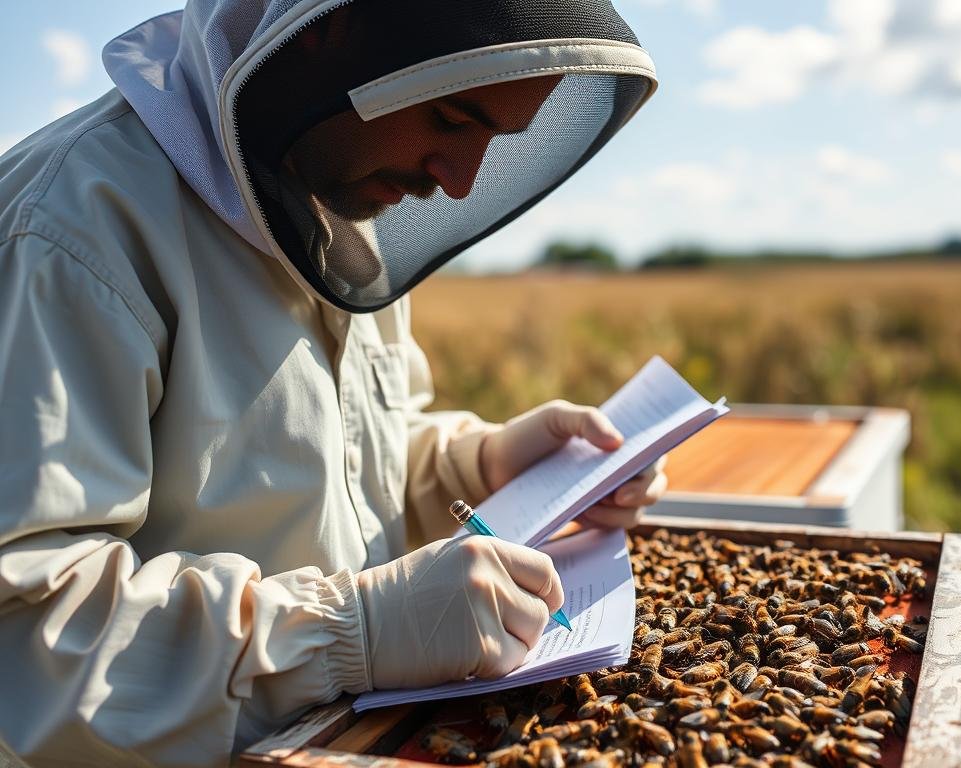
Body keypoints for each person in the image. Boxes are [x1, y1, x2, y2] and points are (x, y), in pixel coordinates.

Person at [0, 1, 661, 765]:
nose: (459, 180)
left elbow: (336, 466)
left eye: (494, 138)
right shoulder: (68, 231)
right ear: (327, 29)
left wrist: (480, 463)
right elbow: (28, 628)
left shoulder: (336, 199)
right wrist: (356, 633)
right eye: (451, 117)